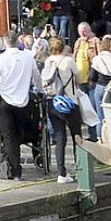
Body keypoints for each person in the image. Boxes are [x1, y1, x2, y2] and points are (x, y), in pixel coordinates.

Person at [0, 31, 41, 181]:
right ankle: (15, 163)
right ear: (18, 41)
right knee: (19, 132)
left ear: (5, 42)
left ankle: (15, 170)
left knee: (9, 137)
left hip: (5, 99)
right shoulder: (28, 56)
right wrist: (40, 90)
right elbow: (36, 76)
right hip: (23, 100)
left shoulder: (1, 58)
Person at [40, 38, 81, 185]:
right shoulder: (69, 61)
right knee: (77, 136)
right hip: (70, 101)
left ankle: (61, 172)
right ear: (63, 47)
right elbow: (79, 79)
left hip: (53, 102)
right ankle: (80, 168)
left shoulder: (48, 61)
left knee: (60, 137)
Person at [87, 35, 111, 140]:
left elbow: (93, 76)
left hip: (101, 87)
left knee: (100, 116)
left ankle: (100, 138)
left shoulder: (98, 59)